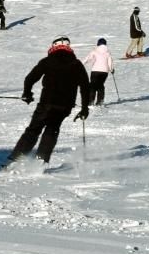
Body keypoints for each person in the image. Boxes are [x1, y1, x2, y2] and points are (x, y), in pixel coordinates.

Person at [7, 36, 91, 166]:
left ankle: (16, 159)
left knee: (33, 130)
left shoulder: (47, 61)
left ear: (53, 47)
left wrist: (27, 93)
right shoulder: (77, 64)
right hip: (65, 107)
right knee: (52, 129)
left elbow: (29, 79)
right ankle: (41, 161)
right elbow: (85, 87)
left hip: (47, 103)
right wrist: (85, 108)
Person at [83, 37, 115, 106]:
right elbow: (110, 62)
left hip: (95, 71)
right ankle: (100, 101)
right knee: (100, 86)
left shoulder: (94, 51)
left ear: (98, 44)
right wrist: (112, 70)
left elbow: (87, 58)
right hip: (104, 72)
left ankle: (90, 102)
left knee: (92, 86)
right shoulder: (108, 52)